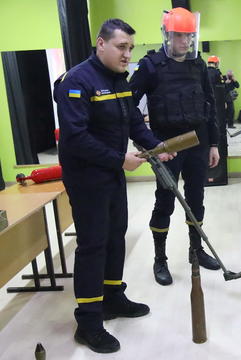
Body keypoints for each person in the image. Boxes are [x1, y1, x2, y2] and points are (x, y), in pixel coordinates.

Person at [54, 19, 176, 353]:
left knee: (115, 235)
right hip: (87, 176)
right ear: (101, 44)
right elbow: (75, 138)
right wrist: (120, 159)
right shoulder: (77, 82)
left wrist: (158, 147)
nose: (127, 55)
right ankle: (89, 321)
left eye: (130, 49)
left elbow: (135, 123)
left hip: (110, 172)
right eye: (121, 47)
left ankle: (113, 298)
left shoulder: (119, 81)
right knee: (93, 244)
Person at [129, 7, 221, 286]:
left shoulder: (198, 65)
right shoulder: (150, 66)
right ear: (167, 35)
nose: (185, 41)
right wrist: (145, 140)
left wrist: (214, 143)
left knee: (196, 199)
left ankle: (196, 251)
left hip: (197, 142)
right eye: (179, 35)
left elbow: (210, 105)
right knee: (165, 202)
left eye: (189, 36)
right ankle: (160, 259)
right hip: (166, 145)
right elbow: (128, 106)